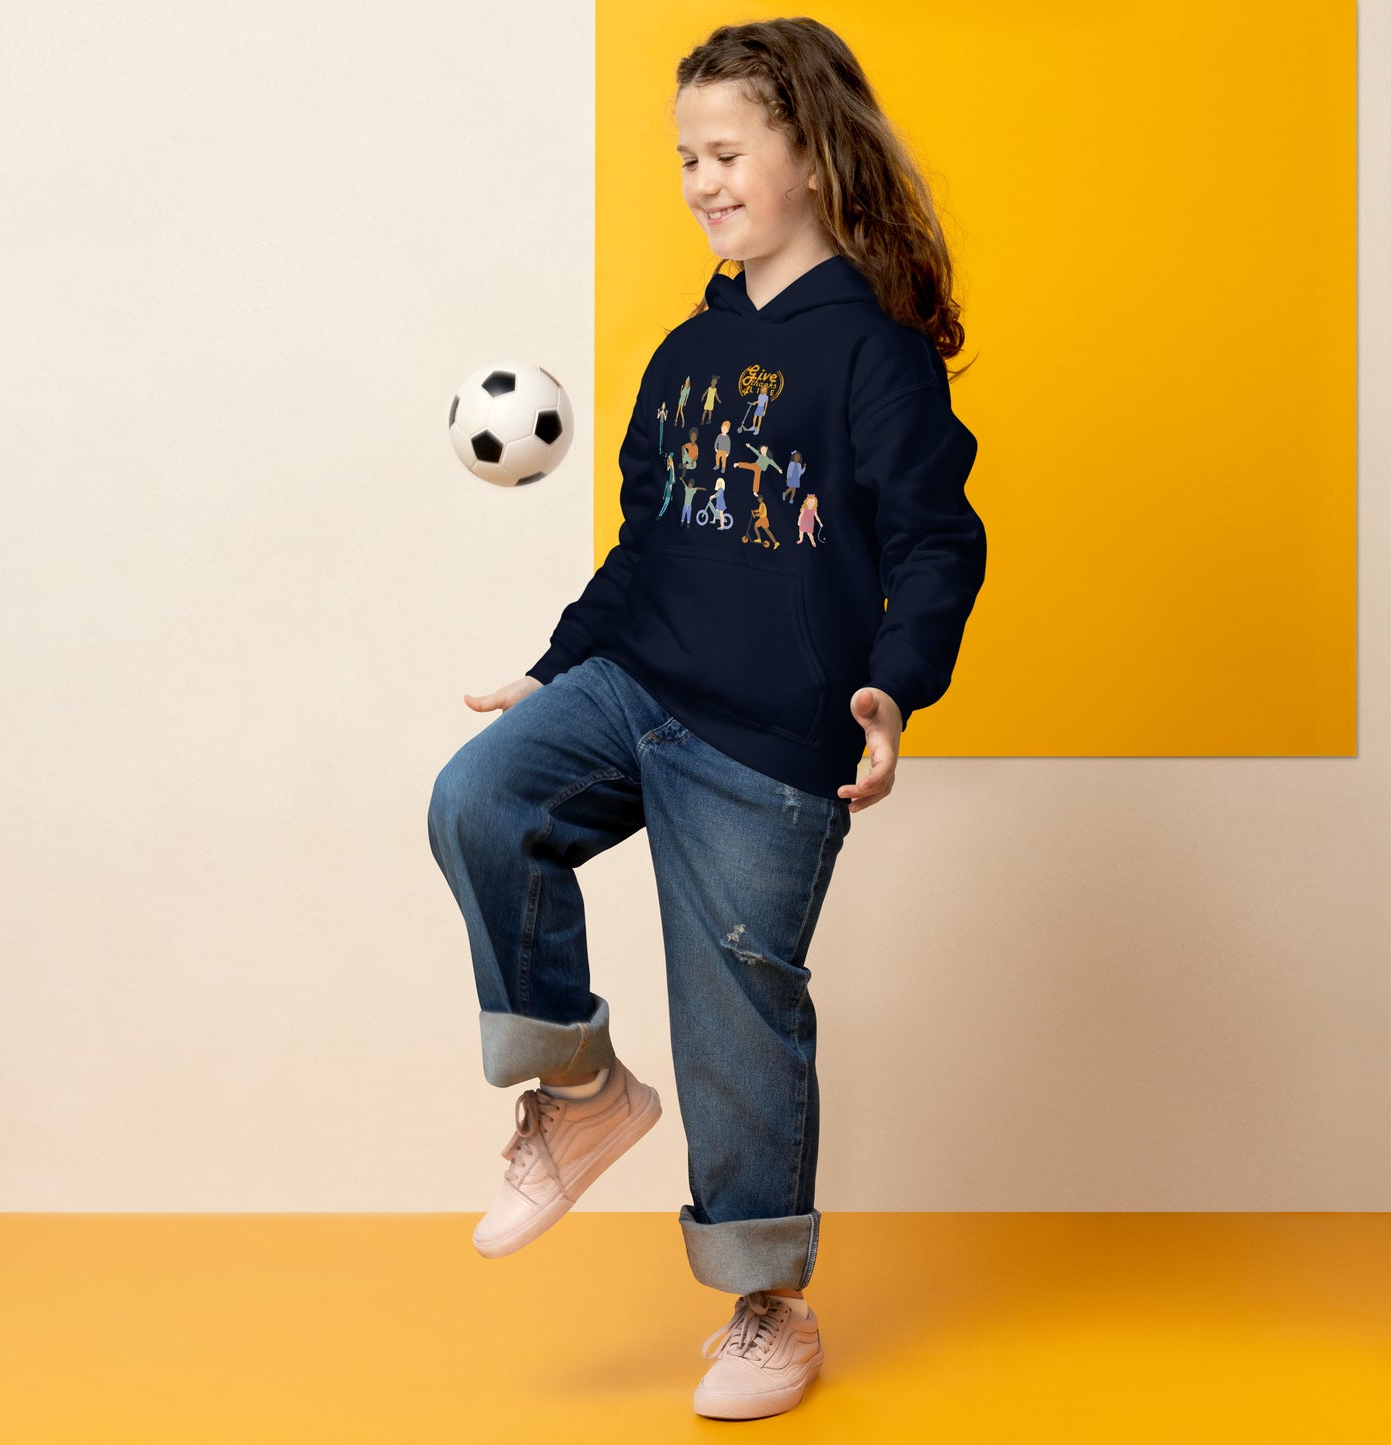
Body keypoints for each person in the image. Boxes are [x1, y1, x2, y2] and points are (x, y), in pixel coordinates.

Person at [428, 16, 986, 1422]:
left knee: (735, 1015)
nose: (700, 178)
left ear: (810, 152)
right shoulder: (684, 354)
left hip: (768, 739)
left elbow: (935, 538)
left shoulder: (873, 351)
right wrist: (559, 668)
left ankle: (767, 1306)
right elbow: (644, 549)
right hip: (638, 687)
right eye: (685, 156)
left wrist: (891, 680)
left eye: (727, 151)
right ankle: (578, 1091)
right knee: (477, 799)